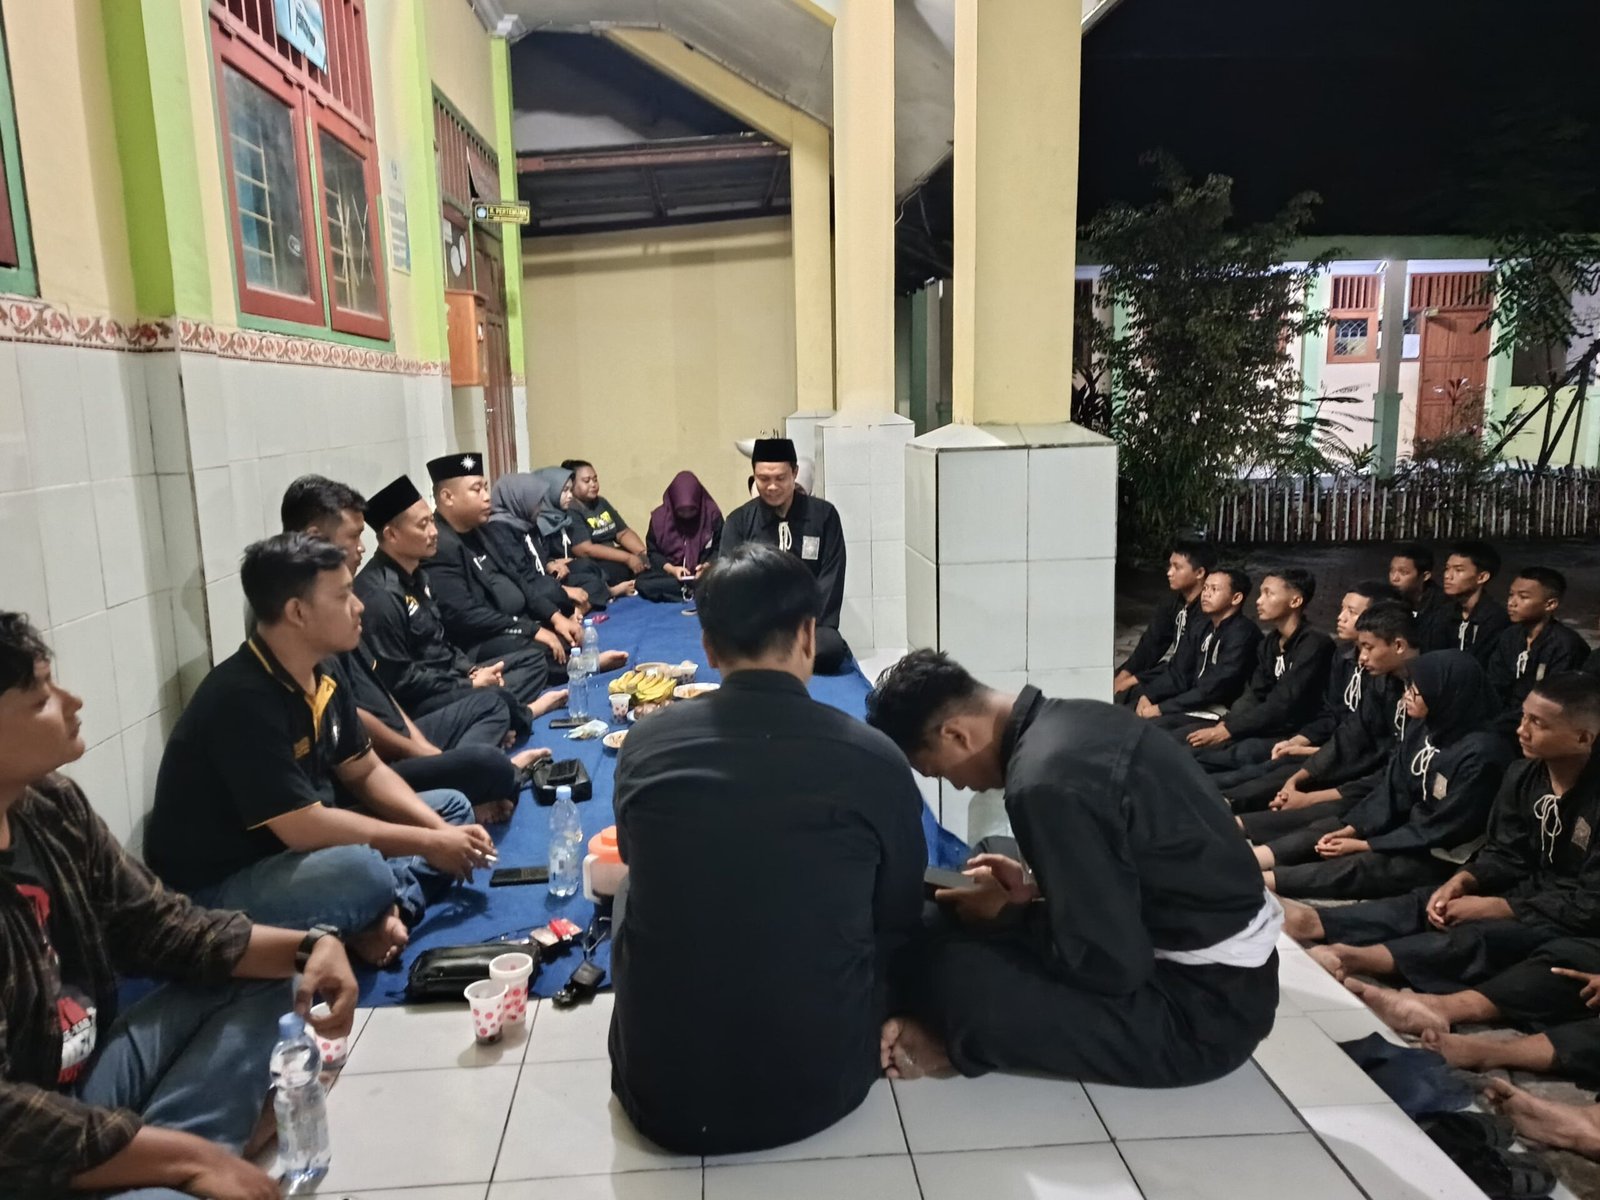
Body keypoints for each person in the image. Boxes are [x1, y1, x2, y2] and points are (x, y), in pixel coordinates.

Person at [0, 611, 359, 1200]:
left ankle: (181, 1161)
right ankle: (192, 1158)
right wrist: (188, 1159)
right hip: (23, 1156)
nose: (71, 702)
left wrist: (311, 947)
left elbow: (158, 924)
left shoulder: (49, 806)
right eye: (41, 698)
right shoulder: (243, 692)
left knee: (272, 973)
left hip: (88, 1086)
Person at [609, 545, 925, 1154]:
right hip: (824, 1085)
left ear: (708, 648)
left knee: (628, 889)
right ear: (808, 636)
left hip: (664, 1096)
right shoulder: (873, 758)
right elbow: (899, 911)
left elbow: (634, 856)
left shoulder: (645, 745)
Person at [865, 650, 1280, 1088]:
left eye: (939, 772)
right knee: (968, 890)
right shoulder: (1078, 718)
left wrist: (1013, 915)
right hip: (1214, 962)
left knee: (956, 974)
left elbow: (1114, 967)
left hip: (1201, 1014)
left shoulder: (1041, 783)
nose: (958, 784)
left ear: (955, 734)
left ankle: (950, 1041)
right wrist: (1034, 891)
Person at [145, 534, 498, 969]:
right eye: (344, 595)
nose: (359, 606)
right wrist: (429, 843)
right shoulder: (241, 698)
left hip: (302, 856)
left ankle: (381, 917)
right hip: (222, 885)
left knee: (453, 809)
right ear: (298, 612)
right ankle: (369, 913)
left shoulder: (322, 668)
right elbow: (304, 828)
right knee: (364, 871)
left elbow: (365, 772)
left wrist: (440, 834)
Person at [1282, 672, 1600, 993]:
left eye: (1538, 724)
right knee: (1428, 901)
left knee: (1482, 933)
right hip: (1526, 890)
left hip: (1569, 915)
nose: (1522, 730)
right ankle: (1315, 922)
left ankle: (1356, 958)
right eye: (1523, 717)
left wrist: (1498, 907)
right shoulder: (1522, 774)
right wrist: (1462, 881)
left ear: (1583, 738)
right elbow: (1505, 853)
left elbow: (1589, 905)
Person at [282, 475, 540, 825]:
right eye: (354, 536)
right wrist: (427, 755)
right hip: (374, 760)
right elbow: (360, 721)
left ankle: (477, 773)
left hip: (392, 743)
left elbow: (380, 694)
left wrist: (428, 750)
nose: (362, 548)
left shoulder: (396, 584)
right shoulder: (318, 616)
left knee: (499, 715)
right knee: (490, 764)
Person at [1254, 650, 1511, 900]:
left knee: (1363, 865)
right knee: (1330, 829)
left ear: (1446, 694)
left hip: (1443, 852)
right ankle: (1251, 862)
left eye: (1416, 691)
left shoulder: (1482, 754)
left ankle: (1260, 882)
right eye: (1408, 686)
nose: (1406, 695)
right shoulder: (1426, 726)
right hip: (1407, 826)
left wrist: (1368, 845)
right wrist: (1354, 830)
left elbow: (1447, 827)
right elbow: (1393, 787)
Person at [353, 475, 565, 731]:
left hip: (449, 676)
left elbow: (440, 643)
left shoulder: (417, 575)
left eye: (432, 521)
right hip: (423, 700)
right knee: (491, 699)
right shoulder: (381, 595)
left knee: (531, 662)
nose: (434, 532)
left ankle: (495, 714)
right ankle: (515, 712)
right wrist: (468, 684)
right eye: (422, 525)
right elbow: (403, 681)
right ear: (392, 534)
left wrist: (470, 670)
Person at [1231, 601, 1419, 825]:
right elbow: (1350, 735)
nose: (1362, 657)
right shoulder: (1383, 682)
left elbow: (1390, 770)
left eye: (1369, 648)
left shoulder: (1429, 690)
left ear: (1398, 645)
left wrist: (1311, 798)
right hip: (1364, 772)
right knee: (1287, 772)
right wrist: (1296, 780)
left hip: (1393, 789)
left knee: (1318, 817)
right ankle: (1226, 807)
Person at [1207, 580, 1397, 785]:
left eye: (1352, 612)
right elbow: (1330, 713)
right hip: (1323, 741)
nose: (1341, 617)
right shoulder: (1343, 655)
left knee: (1254, 773)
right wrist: (1300, 739)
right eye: (1342, 609)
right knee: (1234, 755)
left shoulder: (1381, 674)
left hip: (1346, 757)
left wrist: (1312, 749)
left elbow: (1371, 742)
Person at [425, 453, 584, 677]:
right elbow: (465, 616)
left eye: (486, 487)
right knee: (538, 651)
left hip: (514, 623)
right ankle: (581, 668)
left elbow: (519, 580)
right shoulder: (440, 546)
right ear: (447, 497)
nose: (486, 497)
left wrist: (555, 617)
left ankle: (572, 662)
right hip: (480, 639)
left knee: (565, 633)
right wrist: (531, 629)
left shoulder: (483, 531)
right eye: (476, 490)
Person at [721, 437, 852, 674]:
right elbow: (730, 581)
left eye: (780, 478)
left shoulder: (824, 516)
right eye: (764, 479)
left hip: (809, 623)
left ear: (794, 473)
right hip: (759, 623)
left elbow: (831, 576)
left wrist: (808, 623)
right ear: (754, 476)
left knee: (830, 647)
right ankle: (785, 656)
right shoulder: (739, 521)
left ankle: (771, 659)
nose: (772, 486)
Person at [1184, 568, 1336, 759]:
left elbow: (1283, 702)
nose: (1258, 600)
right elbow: (1255, 693)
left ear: (1295, 601)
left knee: (1224, 755)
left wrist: (1230, 730)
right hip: (1268, 723)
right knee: (1192, 742)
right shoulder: (1270, 643)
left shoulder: (1314, 644)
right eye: (1260, 593)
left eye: (1268, 594)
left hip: (1298, 732)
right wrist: (1227, 724)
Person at [1134, 567, 1261, 727]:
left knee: (1157, 727)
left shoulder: (1243, 634)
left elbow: (1216, 687)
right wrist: (1149, 696)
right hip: (1193, 701)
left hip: (1223, 709)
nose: (1206, 594)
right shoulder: (1202, 625)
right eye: (1205, 588)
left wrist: (1161, 708)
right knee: (1131, 704)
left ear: (1236, 598)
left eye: (1214, 589)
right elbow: (1178, 672)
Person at [1485, 566, 1589, 734]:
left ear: (1550, 604)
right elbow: (1495, 683)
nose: (1512, 603)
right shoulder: (1510, 636)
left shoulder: (1566, 645)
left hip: (1542, 724)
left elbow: (1556, 701)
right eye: (1511, 595)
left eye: (1523, 597)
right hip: (1505, 717)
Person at [484, 471, 598, 615]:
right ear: (519, 500)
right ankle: (574, 611)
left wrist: (551, 563)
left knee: (589, 575)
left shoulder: (528, 522)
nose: (541, 507)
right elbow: (522, 575)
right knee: (551, 591)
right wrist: (564, 590)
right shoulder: (499, 530)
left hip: (545, 578)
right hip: (528, 586)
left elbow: (543, 552)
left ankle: (575, 610)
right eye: (537, 502)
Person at [1112, 540, 1214, 701]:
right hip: (1175, 671)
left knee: (1132, 693)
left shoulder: (1208, 609)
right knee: (1111, 680)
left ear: (1200, 572)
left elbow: (1185, 665)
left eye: (1177, 567)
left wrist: (1131, 681)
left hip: (1194, 678)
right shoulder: (1173, 601)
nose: (1169, 573)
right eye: (1170, 566)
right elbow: (1151, 643)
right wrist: (1125, 674)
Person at [637, 470, 724, 604]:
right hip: (672, 575)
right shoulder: (659, 520)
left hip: (705, 573)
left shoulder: (712, 516)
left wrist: (707, 566)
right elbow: (653, 553)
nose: (687, 515)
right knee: (643, 583)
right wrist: (672, 569)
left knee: (727, 579)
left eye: (692, 510)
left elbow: (721, 547)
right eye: (681, 511)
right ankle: (696, 591)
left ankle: (692, 590)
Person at [563, 459, 651, 588]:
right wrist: (627, 558)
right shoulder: (572, 509)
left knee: (652, 561)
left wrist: (642, 553)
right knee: (619, 571)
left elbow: (623, 532)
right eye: (587, 481)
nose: (593, 484)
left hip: (615, 555)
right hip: (595, 562)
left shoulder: (601, 502)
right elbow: (585, 549)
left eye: (595, 479)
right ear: (571, 484)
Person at [1421, 539, 1509, 664]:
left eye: (1458, 570)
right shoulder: (1442, 614)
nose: (1447, 576)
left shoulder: (1496, 619)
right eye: (1447, 568)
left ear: (1482, 577)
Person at [1390, 542, 1443, 626]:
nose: (1394, 578)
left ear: (1425, 576)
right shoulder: (1388, 600)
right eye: (1392, 571)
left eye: (1403, 572)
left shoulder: (1442, 606)